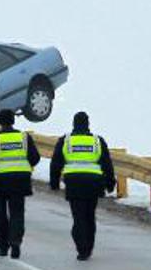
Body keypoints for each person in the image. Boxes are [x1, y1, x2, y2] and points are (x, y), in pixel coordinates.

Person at [49, 111, 115, 260]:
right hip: (94, 183)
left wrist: (54, 183)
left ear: (74, 124)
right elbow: (107, 163)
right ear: (88, 124)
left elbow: (56, 163)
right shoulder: (98, 141)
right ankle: (88, 247)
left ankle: (82, 248)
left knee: (78, 216)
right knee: (89, 216)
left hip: (74, 182)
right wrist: (110, 183)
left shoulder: (66, 141)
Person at [0, 109, 41, 259]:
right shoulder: (23, 137)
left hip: (0, 180)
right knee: (17, 213)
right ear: (13, 121)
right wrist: (24, 165)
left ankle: (2, 246)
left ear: (0, 122)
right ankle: (15, 243)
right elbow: (35, 157)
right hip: (20, 180)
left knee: (0, 213)